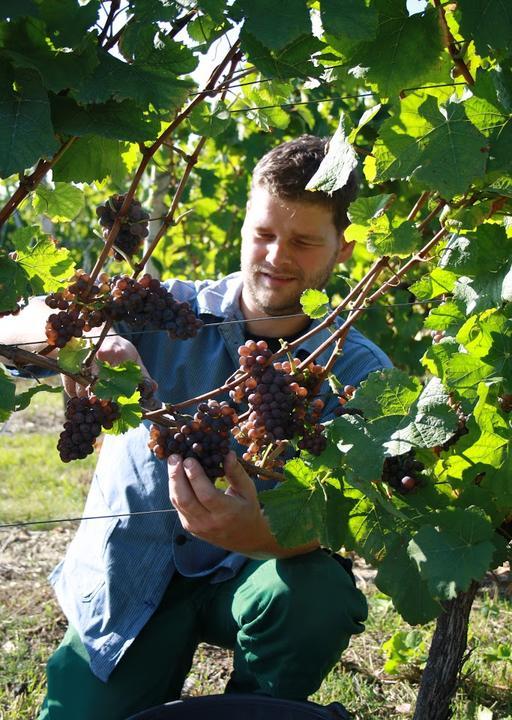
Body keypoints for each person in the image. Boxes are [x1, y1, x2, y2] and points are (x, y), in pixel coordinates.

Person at [2, 135, 392, 719]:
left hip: (251, 578)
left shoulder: (357, 373)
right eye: (263, 234)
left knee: (315, 594)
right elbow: (13, 323)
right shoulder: (166, 310)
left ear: (342, 251)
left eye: (305, 241)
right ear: (242, 227)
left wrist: (259, 537)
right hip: (128, 581)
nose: (277, 256)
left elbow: (363, 514)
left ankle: (258, 708)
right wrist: (79, 339)